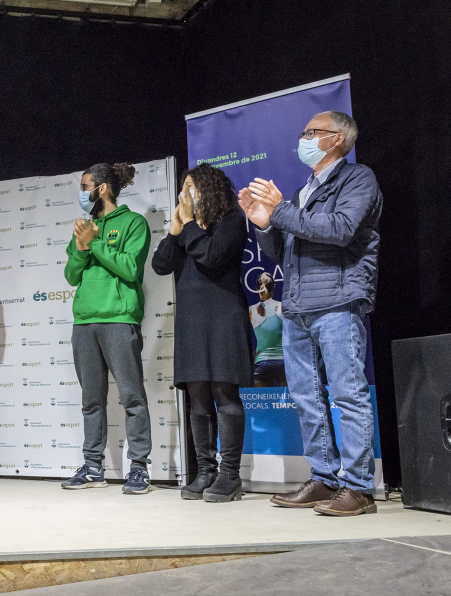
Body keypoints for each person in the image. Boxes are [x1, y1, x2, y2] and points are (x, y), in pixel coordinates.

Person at [239, 110, 383, 517]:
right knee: (304, 396)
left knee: (347, 394)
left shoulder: (358, 179)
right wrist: (265, 224)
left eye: (311, 132)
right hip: (298, 305)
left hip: (338, 301)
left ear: (337, 139)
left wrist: (281, 210)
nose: (302, 139)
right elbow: (283, 250)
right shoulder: (305, 189)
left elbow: (339, 229)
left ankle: (358, 488)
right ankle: (324, 478)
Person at [152, 163, 252, 502]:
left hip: (224, 314)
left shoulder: (231, 220)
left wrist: (192, 224)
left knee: (225, 394)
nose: (184, 195)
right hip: (191, 319)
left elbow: (212, 256)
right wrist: (174, 231)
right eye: (183, 189)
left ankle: (230, 475)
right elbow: (161, 264)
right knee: (197, 396)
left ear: (207, 190)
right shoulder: (186, 228)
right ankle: (205, 470)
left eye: (190, 188)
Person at [61, 162, 153, 494]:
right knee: (91, 399)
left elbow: (130, 269)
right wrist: (83, 247)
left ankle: (140, 468)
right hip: (85, 321)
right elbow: (71, 276)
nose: (81, 194)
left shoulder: (133, 222)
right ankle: (93, 467)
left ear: (102, 188)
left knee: (132, 396)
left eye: (85, 187)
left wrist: (97, 243)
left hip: (119, 319)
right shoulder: (85, 227)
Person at [250, 272, 286, 387]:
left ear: (257, 289)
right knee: (287, 403)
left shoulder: (251, 310)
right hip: (283, 361)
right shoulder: (282, 307)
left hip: (262, 361)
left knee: (262, 402)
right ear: (274, 287)